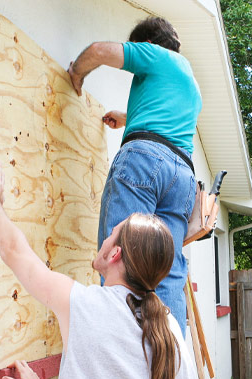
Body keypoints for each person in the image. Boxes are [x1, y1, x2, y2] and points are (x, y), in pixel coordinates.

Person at [0, 160, 198, 379]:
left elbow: (13, 251)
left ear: (115, 253)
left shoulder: (85, 306)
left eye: (112, 233)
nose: (105, 238)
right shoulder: (169, 328)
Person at [67, 17, 202, 335]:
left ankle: (120, 355)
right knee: (164, 266)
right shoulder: (190, 83)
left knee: (120, 255)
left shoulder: (156, 55)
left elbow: (100, 51)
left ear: (148, 44)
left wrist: (76, 73)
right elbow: (166, 123)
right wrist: (128, 118)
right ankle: (166, 368)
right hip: (182, 176)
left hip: (145, 163)